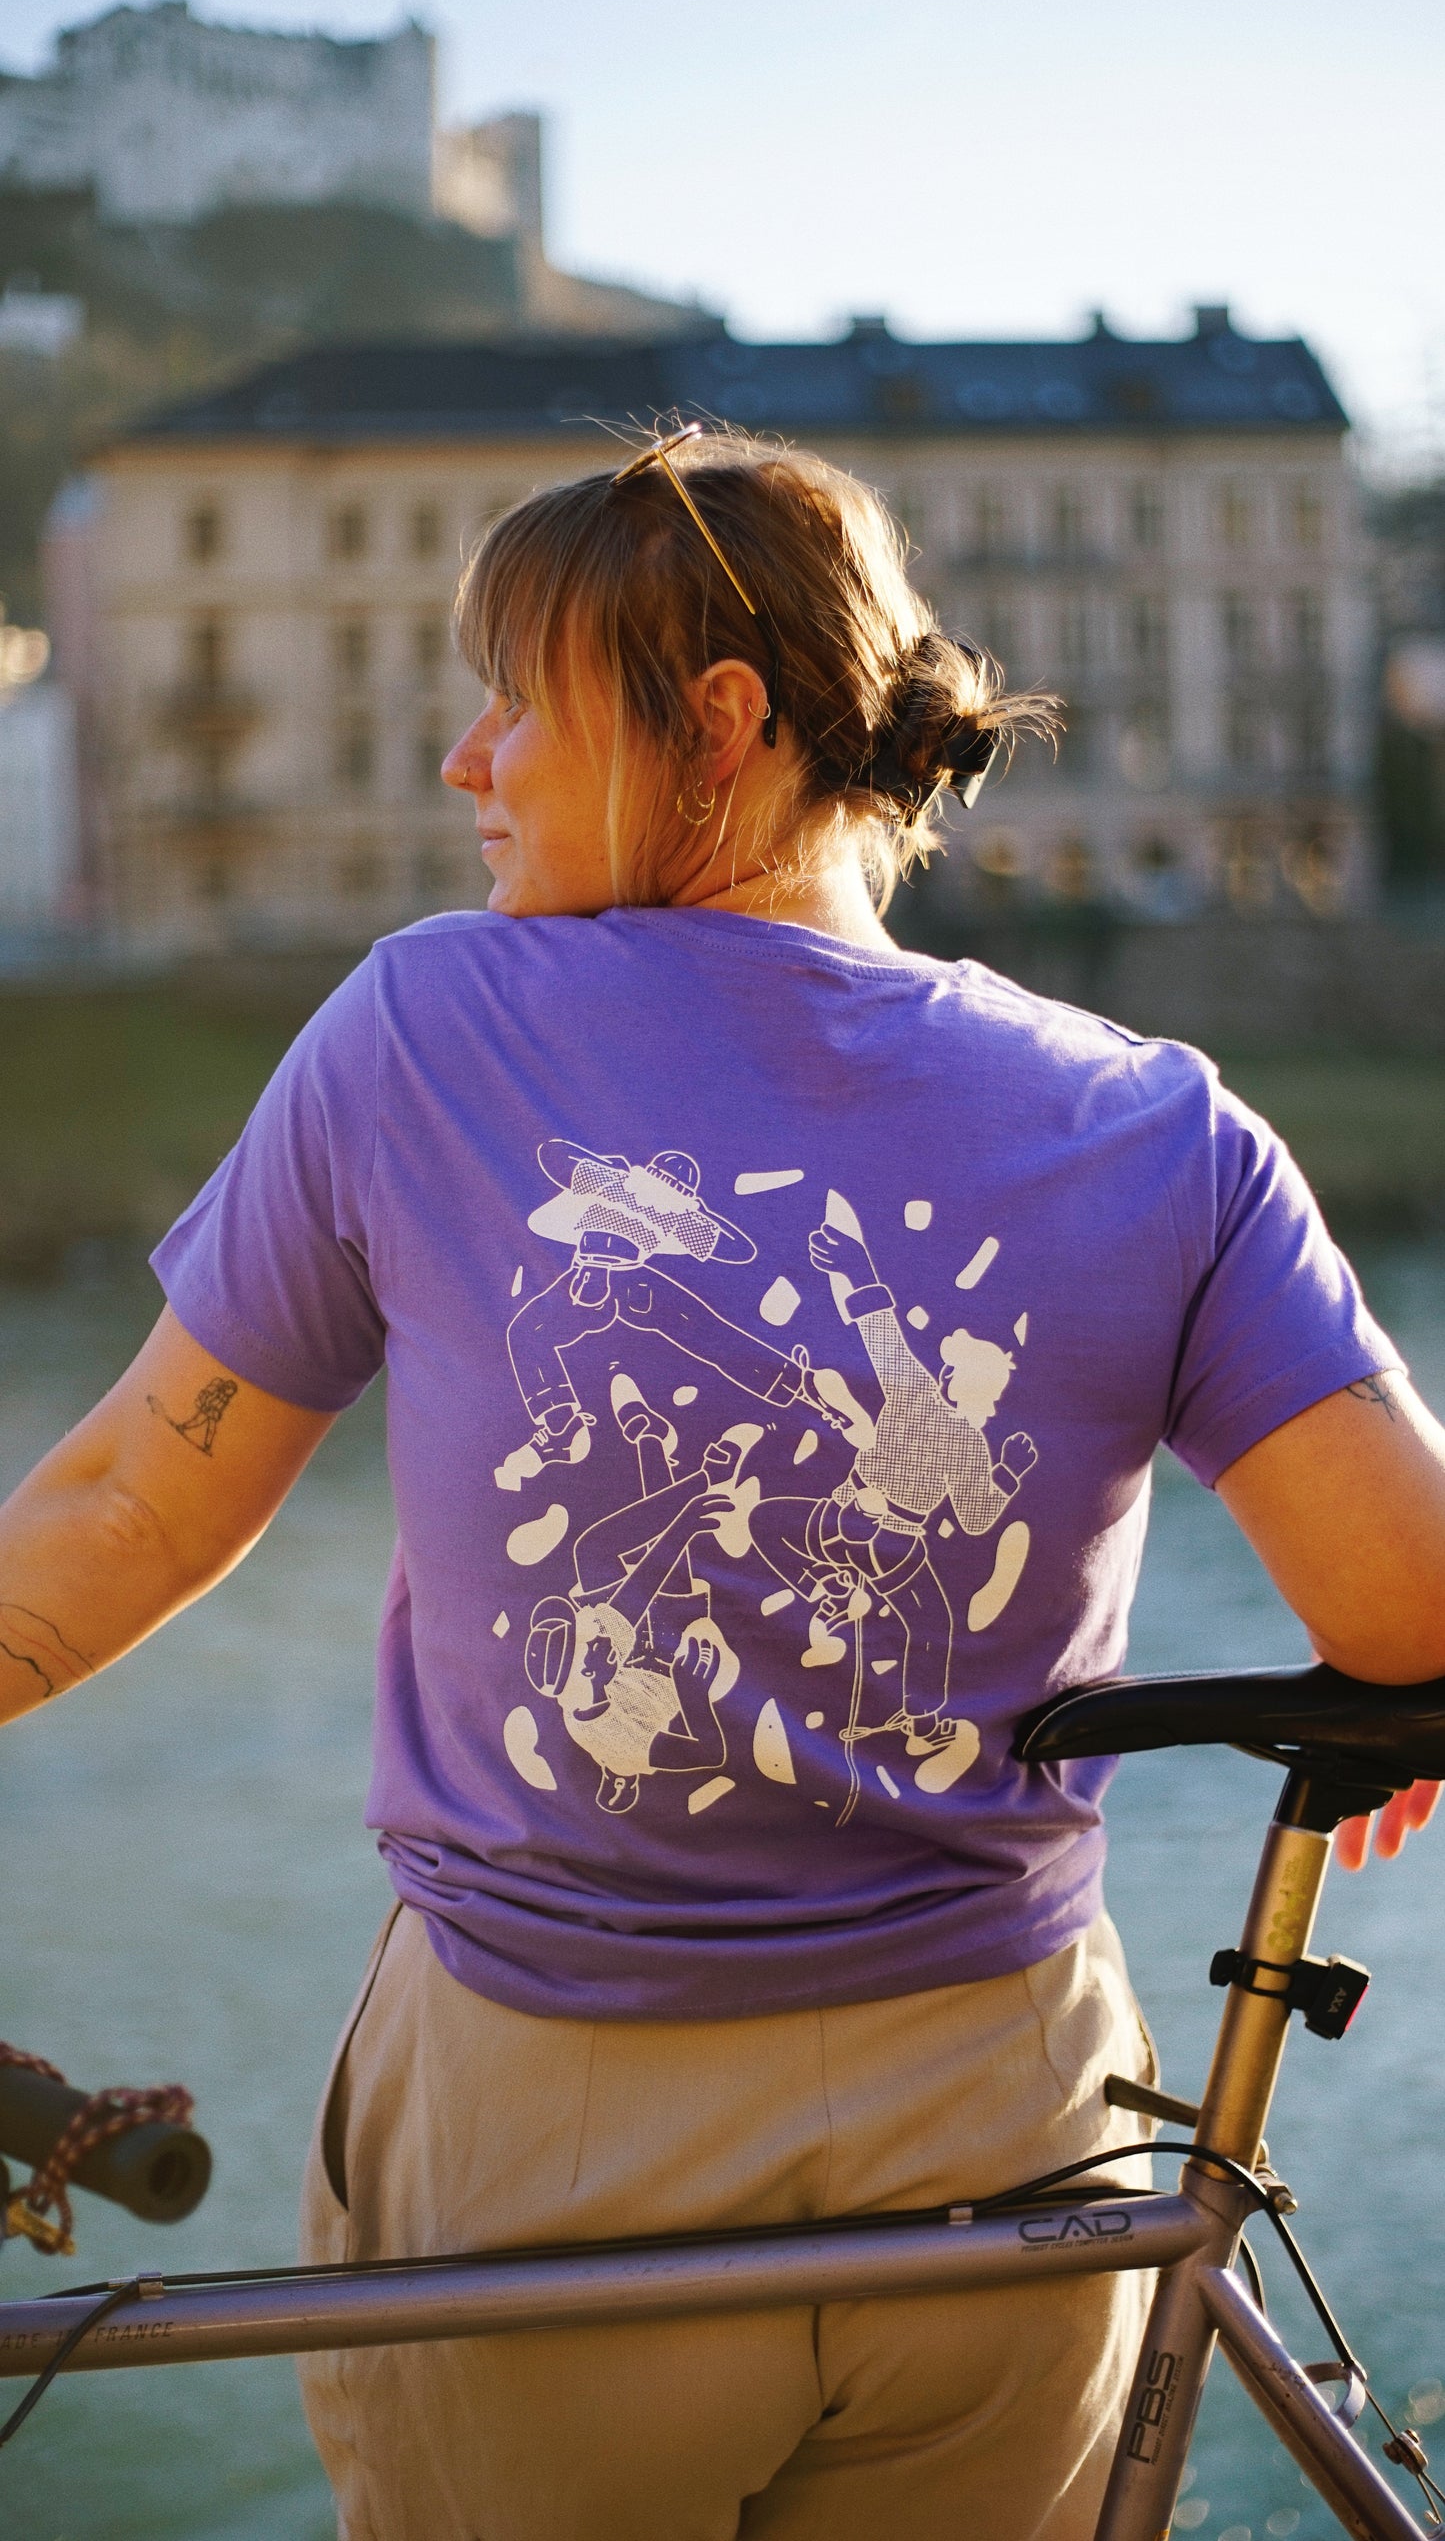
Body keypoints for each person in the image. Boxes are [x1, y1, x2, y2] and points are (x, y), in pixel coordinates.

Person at [0, 422, 1442, 2541]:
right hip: (1011, 2122)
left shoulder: (431, 1028)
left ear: (720, 723)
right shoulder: (1158, 1124)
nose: (466, 761)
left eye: (516, 700)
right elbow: (1412, 1613)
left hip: (561, 2137)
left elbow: (134, 1504)